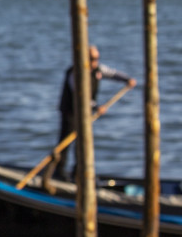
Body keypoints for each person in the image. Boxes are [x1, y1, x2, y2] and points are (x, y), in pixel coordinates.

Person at [45, 44, 136, 180]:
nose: (95, 61)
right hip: (70, 112)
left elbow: (113, 74)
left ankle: (78, 173)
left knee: (83, 143)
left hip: (84, 113)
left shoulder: (98, 69)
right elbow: (80, 96)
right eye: (92, 58)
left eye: (97, 58)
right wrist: (96, 107)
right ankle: (59, 172)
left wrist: (127, 79)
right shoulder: (75, 73)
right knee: (65, 142)